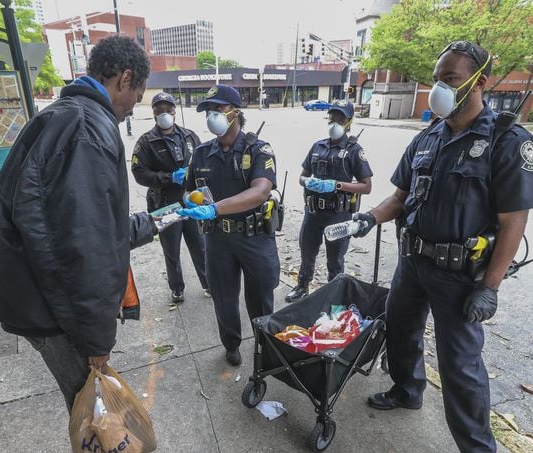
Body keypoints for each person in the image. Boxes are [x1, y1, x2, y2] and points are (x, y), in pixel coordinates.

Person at [352, 41, 533, 453]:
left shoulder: (506, 141)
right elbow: (398, 198)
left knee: (461, 369)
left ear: (479, 81)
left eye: (450, 79)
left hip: (461, 276)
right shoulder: (427, 137)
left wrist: (490, 287)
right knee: (400, 330)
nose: (439, 87)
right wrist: (367, 218)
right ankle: (407, 389)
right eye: (437, 78)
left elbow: (513, 220)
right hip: (414, 261)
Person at [0, 35, 157, 453]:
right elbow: (83, 248)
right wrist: (96, 338)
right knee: (87, 391)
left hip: (32, 292)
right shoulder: (87, 128)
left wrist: (151, 222)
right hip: (51, 305)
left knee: (82, 389)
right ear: (123, 80)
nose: (132, 108)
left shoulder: (63, 116)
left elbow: (86, 221)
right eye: (135, 98)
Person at [178, 85, 280, 366]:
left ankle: (265, 346)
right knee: (223, 299)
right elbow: (187, 190)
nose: (212, 116)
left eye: (218, 109)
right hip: (217, 240)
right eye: (208, 111)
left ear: (235, 112)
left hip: (254, 236)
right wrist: (191, 200)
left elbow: (260, 191)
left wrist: (214, 208)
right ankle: (231, 344)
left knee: (260, 299)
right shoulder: (200, 153)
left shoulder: (258, 149)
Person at [285, 100, 373, 302]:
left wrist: (337, 185)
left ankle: (333, 295)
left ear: (349, 121)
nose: (335, 121)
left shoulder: (354, 150)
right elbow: (301, 177)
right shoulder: (318, 146)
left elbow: (366, 186)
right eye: (333, 116)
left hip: (338, 214)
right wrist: (308, 182)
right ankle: (302, 286)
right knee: (307, 252)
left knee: (335, 260)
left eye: (340, 118)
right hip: (313, 212)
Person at [131, 92, 209, 303]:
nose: (164, 113)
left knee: (199, 246)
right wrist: (167, 177)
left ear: (175, 110)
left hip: (191, 202)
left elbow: (202, 164)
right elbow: (139, 173)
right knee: (171, 249)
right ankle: (177, 288)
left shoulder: (190, 136)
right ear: (153, 112)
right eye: (159, 109)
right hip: (164, 203)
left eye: (168, 108)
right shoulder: (146, 142)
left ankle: (208, 283)